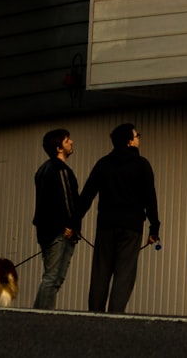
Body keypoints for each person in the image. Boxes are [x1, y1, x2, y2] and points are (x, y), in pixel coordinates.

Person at [77, 122, 160, 313]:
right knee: (124, 273)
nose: (139, 138)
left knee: (101, 272)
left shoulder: (103, 164)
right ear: (130, 141)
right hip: (131, 227)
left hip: (106, 225)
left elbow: (87, 195)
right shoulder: (142, 165)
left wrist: (75, 223)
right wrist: (154, 228)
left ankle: (95, 313)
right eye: (137, 135)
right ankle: (115, 316)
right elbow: (150, 199)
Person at [32, 128, 80, 309]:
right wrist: (71, 225)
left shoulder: (42, 170)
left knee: (51, 277)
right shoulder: (61, 170)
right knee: (53, 278)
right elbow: (67, 200)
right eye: (67, 140)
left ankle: (37, 313)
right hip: (61, 232)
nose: (71, 142)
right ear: (59, 148)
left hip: (46, 231)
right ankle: (44, 317)